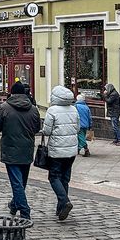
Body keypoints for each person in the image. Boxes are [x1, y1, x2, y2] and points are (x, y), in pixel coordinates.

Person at [0, 81, 41, 224]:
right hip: (27, 149)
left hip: (11, 149)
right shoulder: (33, 109)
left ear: (12, 93)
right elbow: (37, 128)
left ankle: (24, 210)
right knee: (21, 181)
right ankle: (14, 205)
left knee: (17, 182)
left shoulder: (5, 107)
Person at [43, 85, 80, 221]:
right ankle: (60, 209)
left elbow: (47, 131)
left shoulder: (52, 110)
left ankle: (64, 201)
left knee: (54, 177)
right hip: (71, 150)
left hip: (57, 150)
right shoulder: (74, 109)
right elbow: (78, 128)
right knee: (64, 178)